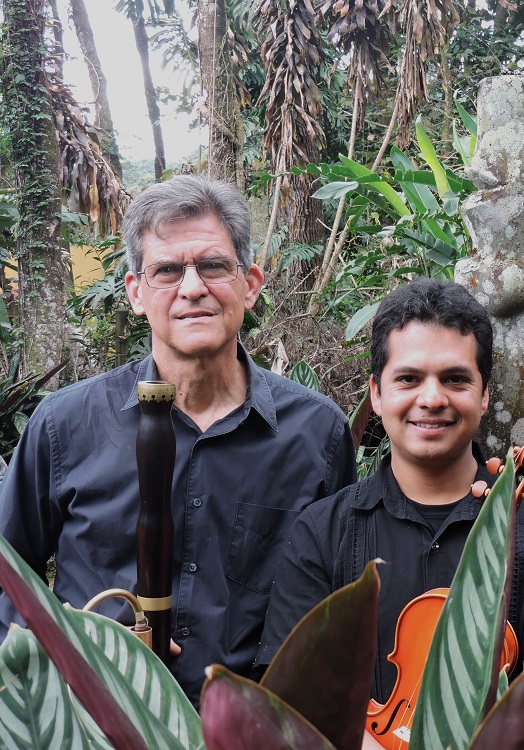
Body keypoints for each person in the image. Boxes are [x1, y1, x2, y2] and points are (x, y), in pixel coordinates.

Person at [0, 175, 356, 706]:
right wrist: (51, 670)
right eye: (167, 270)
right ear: (136, 293)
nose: (192, 288)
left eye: (213, 266)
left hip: (249, 730)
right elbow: (9, 578)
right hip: (94, 720)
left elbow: (339, 603)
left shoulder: (318, 433)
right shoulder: (63, 425)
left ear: (250, 283)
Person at [258, 278, 524, 708]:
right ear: (377, 394)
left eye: (455, 379)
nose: (432, 398)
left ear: (484, 397)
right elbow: (294, 697)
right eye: (408, 378)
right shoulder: (321, 532)